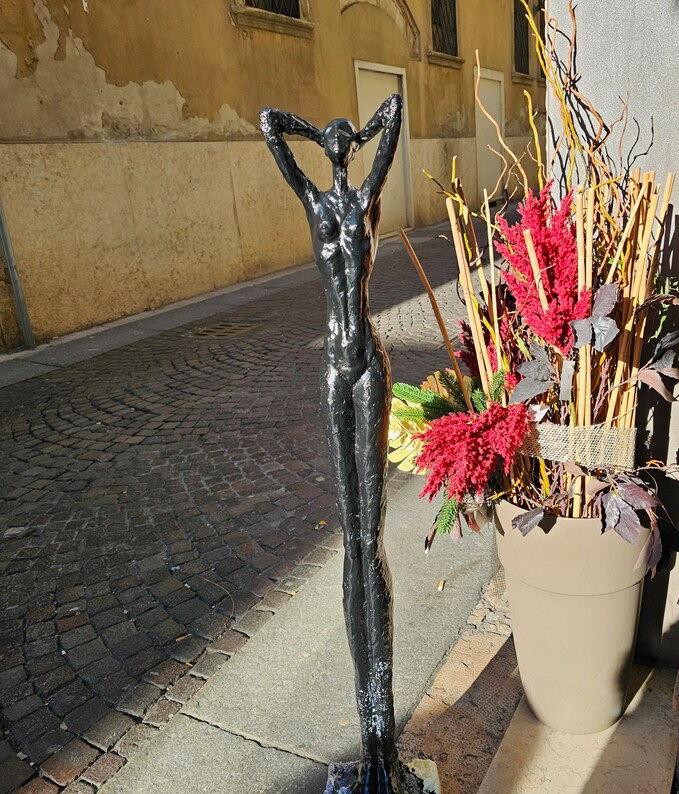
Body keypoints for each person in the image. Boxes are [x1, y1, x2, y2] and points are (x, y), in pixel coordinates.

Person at [260, 96, 416, 794]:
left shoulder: (363, 205)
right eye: (333, 150)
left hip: (369, 368)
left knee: (372, 538)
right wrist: (314, 132)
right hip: (335, 364)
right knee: (349, 540)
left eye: (346, 148)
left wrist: (360, 133)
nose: (341, 155)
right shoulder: (316, 206)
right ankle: (368, 740)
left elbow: (395, 112)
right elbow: (268, 124)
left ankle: (384, 745)